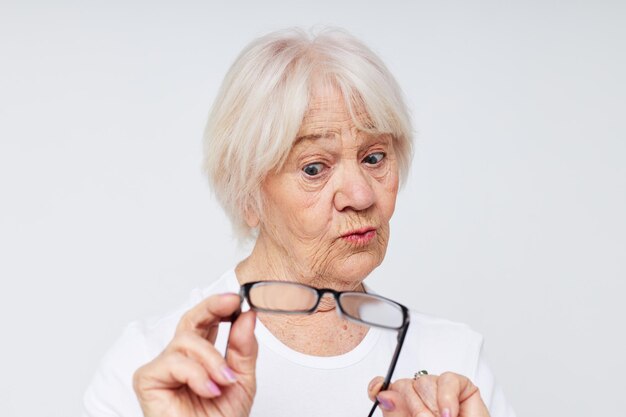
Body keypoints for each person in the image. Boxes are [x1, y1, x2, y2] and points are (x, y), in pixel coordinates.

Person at [82, 27, 516, 417]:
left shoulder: (454, 368)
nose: (362, 195)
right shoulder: (151, 368)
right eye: (314, 168)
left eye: (375, 158)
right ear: (247, 193)